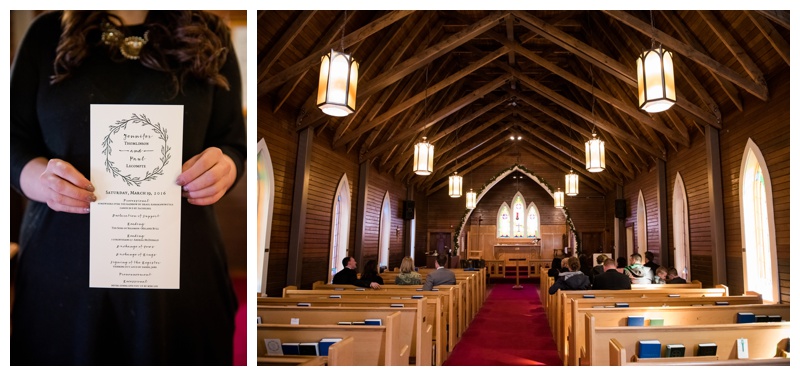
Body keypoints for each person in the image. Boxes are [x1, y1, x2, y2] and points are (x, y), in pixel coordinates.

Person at [10, 11, 246, 365]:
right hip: (63, 266)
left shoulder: (212, 34)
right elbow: (10, 137)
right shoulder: (46, 32)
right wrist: (39, 179)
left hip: (180, 266)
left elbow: (233, 142)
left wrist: (225, 167)